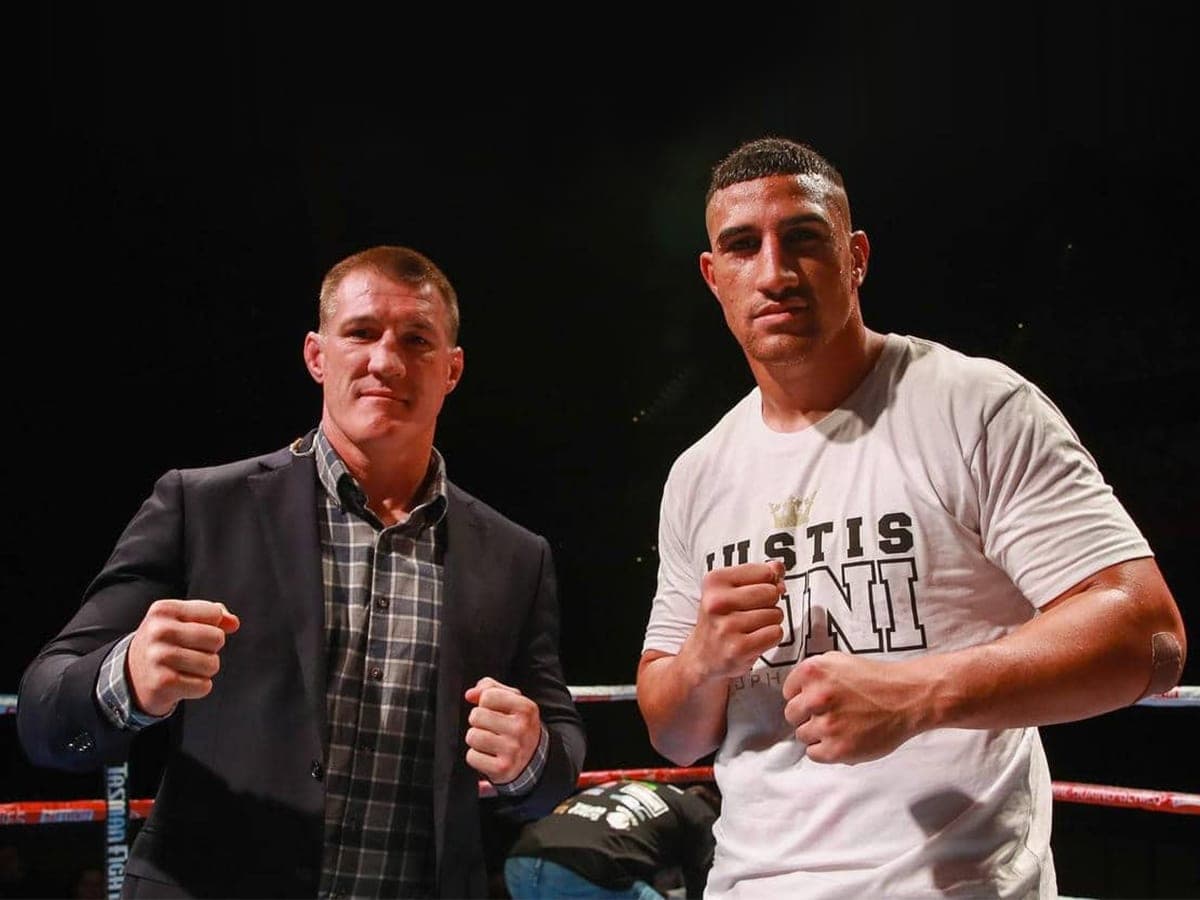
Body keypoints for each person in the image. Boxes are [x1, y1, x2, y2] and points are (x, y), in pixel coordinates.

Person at [635, 137, 1187, 899]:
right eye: (742, 247)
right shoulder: (699, 473)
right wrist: (704, 660)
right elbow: (673, 733)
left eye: (802, 238)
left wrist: (920, 694)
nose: (775, 273)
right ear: (713, 277)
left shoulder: (975, 406)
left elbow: (1148, 638)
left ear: (855, 256)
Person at [16, 245, 586, 898]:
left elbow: (558, 745)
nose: (386, 360)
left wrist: (530, 755)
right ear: (318, 355)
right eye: (362, 333)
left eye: (416, 339)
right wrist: (127, 676)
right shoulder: (203, 507)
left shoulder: (515, 555)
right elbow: (43, 713)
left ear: (451, 368)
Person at [503, 779, 719, 899]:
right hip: (586, 869)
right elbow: (705, 885)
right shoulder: (703, 815)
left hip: (520, 862)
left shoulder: (636, 788)